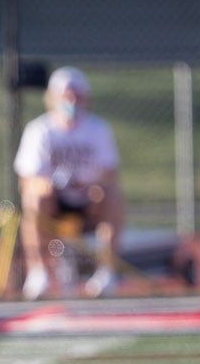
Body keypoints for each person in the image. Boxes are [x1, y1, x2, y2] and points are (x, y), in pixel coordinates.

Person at [13, 66, 125, 299]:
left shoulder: (98, 129)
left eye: (77, 96)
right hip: (53, 202)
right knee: (35, 199)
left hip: (88, 201)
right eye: (66, 96)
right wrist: (43, 186)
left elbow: (110, 172)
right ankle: (39, 273)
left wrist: (94, 186)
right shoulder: (40, 130)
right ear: (54, 98)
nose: (72, 101)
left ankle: (106, 273)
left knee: (112, 196)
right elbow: (26, 179)